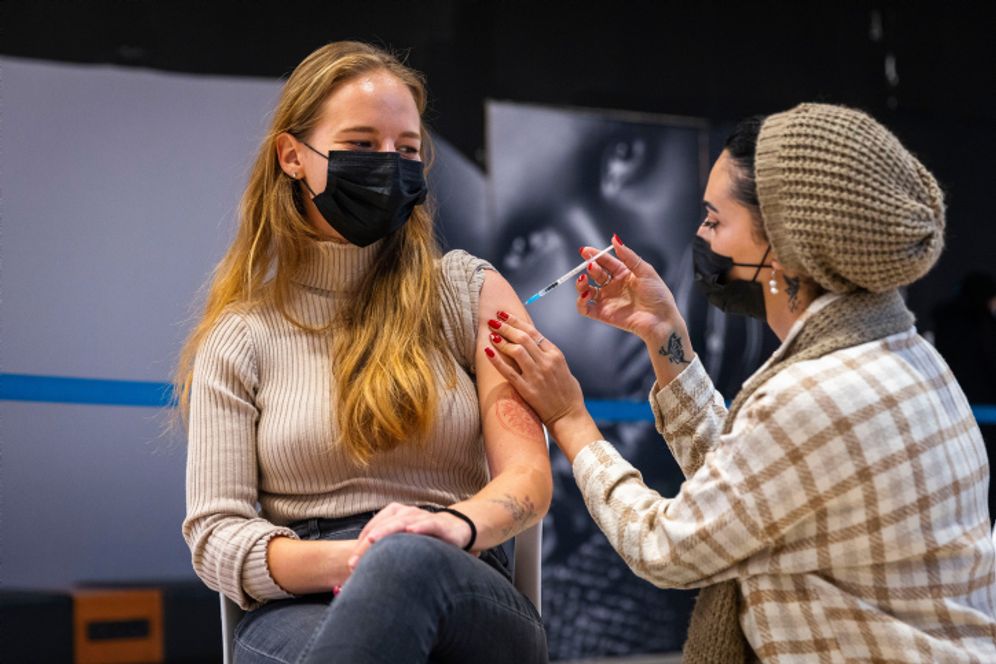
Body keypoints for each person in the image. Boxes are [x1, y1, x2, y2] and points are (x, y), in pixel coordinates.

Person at [484, 104, 996, 662]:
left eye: (714, 219)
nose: (700, 236)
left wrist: (569, 419)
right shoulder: (909, 359)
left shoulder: (815, 393)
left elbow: (666, 547)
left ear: (782, 243)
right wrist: (665, 337)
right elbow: (748, 485)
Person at [176, 41, 550, 664]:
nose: (389, 164)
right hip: (301, 595)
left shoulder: (471, 292)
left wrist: (449, 530)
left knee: (407, 565)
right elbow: (216, 537)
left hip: (461, 577)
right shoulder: (239, 337)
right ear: (292, 157)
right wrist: (356, 561)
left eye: (406, 150)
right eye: (360, 145)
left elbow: (529, 479)